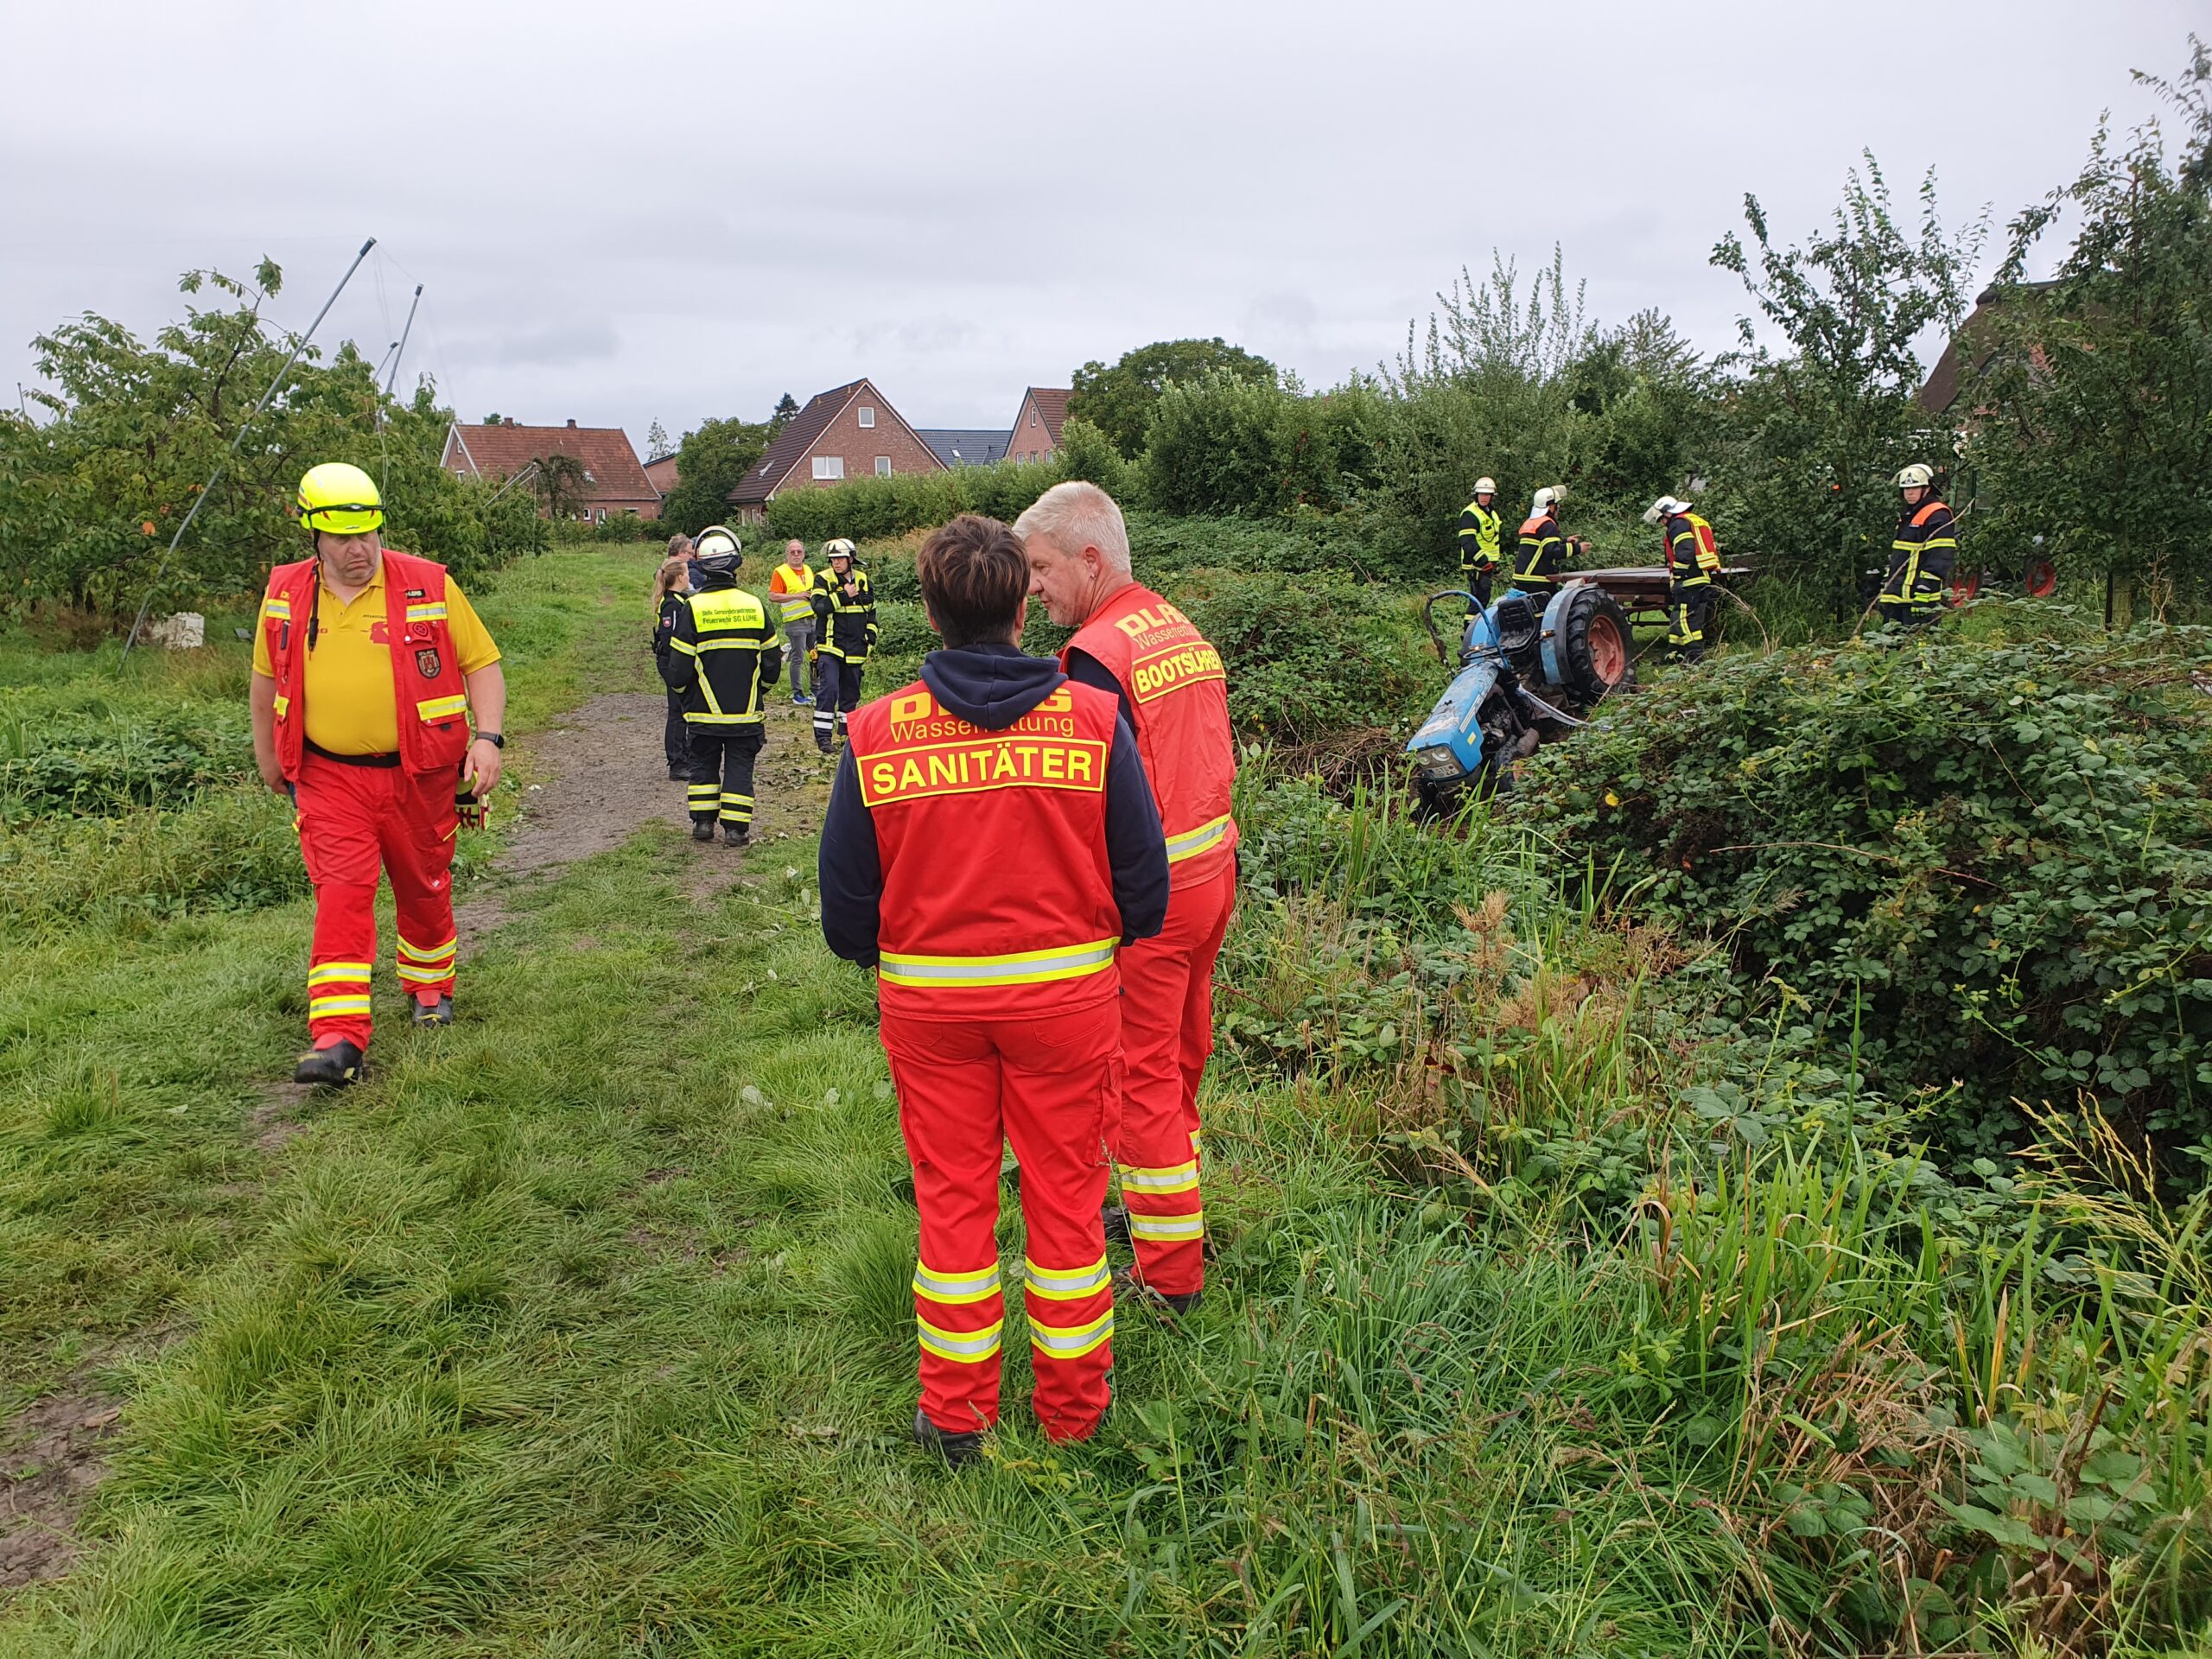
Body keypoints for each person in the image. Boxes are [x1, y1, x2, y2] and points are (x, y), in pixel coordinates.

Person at [818, 513, 1168, 1464]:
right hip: (1067, 1008)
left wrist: (902, 960)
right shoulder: (1092, 720)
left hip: (931, 1013)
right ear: (1023, 605)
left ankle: (958, 1419)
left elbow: (846, 908)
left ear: (927, 613)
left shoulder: (879, 731)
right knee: (1066, 1199)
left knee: (954, 1203)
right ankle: (1072, 1414)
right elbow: (1146, 885)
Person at [1019, 481, 1237, 1316]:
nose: (1032, 586)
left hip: (1154, 901)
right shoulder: (1177, 627)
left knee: (1139, 1078)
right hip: (1213, 875)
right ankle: (1159, 1207)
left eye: (1040, 567)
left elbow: (1092, 799)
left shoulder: (1097, 653)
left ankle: (1170, 1275)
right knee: (1180, 1059)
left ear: (1090, 559)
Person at [250, 462, 505, 1086]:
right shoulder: (284, 592)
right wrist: (267, 756)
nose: (358, 549)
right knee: (342, 892)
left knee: (423, 885)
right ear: (312, 533)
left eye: (368, 534)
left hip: (420, 775)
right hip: (329, 776)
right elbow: (263, 682)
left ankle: (429, 989)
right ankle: (337, 1039)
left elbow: (484, 664)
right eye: (342, 538)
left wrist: (488, 738)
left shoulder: (428, 583)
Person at [662, 525, 781, 845]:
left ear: (703, 565)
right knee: (740, 768)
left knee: (703, 765)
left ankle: (703, 825)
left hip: (703, 714)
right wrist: (760, 691)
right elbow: (772, 663)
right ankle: (736, 829)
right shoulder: (755, 606)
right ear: (735, 563)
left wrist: (684, 697)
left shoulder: (693, 608)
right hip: (745, 715)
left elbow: (678, 669)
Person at [810, 537, 878, 753]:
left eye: (839, 558)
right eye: (832, 559)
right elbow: (818, 607)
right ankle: (823, 738)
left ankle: (848, 736)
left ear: (850, 559)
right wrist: (843, 596)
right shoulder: (823, 579)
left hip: (856, 649)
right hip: (830, 646)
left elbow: (872, 613)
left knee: (851, 696)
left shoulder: (863, 580)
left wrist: (870, 638)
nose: (835, 563)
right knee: (829, 690)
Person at [1878, 463, 1958, 627]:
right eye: (1906, 489)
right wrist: (1886, 591)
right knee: (1890, 649)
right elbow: (1898, 557)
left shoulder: (1937, 515)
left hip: (1920, 598)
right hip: (1898, 597)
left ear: (1927, 489)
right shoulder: (1908, 515)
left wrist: (1924, 592)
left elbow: (1940, 557)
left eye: (1915, 488)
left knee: (1920, 647)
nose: (1910, 493)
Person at [1644, 495, 1722, 662]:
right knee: (1678, 616)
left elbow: (1685, 551)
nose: (1662, 524)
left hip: (1689, 578)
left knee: (1685, 618)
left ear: (1667, 513)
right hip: (1701, 575)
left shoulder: (1678, 524)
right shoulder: (1693, 520)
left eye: (1661, 520)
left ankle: (1696, 657)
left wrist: (1679, 576)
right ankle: (1675, 654)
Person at [651, 554, 694, 778]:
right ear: (678, 576)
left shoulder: (679, 601)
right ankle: (677, 762)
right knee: (677, 712)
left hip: (677, 663)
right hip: (672, 664)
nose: (689, 576)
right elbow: (671, 640)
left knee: (684, 711)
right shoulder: (672, 605)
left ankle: (686, 756)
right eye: (686, 572)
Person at [1510, 486, 1589, 599]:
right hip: (1538, 580)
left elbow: (1539, 546)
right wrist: (1578, 548)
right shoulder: (1548, 525)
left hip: (1521, 578)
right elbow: (1552, 552)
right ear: (1551, 506)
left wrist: (1565, 541)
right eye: (1556, 504)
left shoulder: (1531, 522)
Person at [768, 539, 817, 705]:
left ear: (804, 554)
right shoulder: (780, 572)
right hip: (794, 621)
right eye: (792, 552)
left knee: (815, 655)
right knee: (798, 658)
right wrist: (797, 595)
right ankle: (798, 694)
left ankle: (815, 690)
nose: (796, 555)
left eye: (799, 552)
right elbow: (773, 595)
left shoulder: (808, 569)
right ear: (787, 554)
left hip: (812, 619)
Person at [1457, 476, 1503, 609]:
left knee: (1484, 598)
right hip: (1476, 565)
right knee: (1478, 601)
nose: (1485, 497)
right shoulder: (1470, 515)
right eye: (1482, 494)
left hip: (1488, 564)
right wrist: (1483, 561)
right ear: (1476, 495)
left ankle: (1478, 626)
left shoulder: (1491, 513)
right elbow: (1467, 542)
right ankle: (1470, 628)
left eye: (1488, 494)